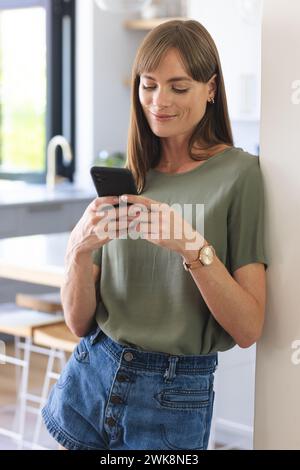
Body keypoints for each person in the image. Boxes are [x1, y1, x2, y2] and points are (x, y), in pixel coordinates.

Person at [42, 19, 268, 451]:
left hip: (172, 397)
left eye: (178, 87)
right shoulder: (130, 176)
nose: (159, 102)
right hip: (90, 378)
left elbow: (247, 327)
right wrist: (78, 252)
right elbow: (78, 322)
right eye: (148, 85)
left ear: (211, 89)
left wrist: (191, 245)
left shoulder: (241, 176)